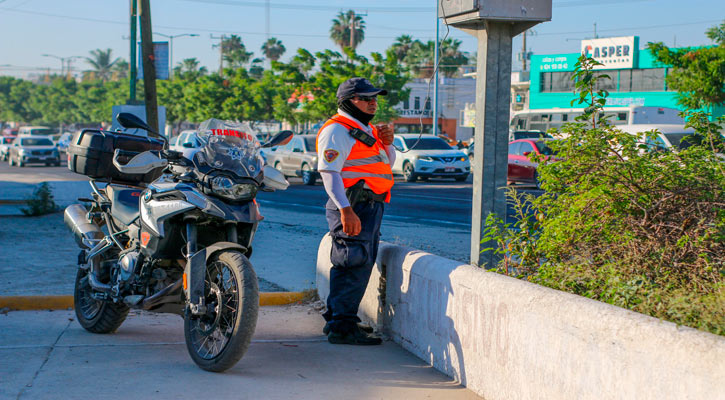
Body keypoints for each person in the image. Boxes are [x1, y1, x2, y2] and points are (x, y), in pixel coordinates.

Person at [316, 77, 396, 345]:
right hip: (354, 204)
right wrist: (345, 210)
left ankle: (339, 320)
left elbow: (386, 164)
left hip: (369, 204)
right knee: (351, 263)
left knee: (357, 263)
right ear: (348, 102)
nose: (373, 103)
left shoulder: (366, 129)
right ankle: (342, 328)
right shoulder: (337, 130)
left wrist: (388, 143)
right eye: (366, 98)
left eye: (375, 98)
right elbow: (329, 173)